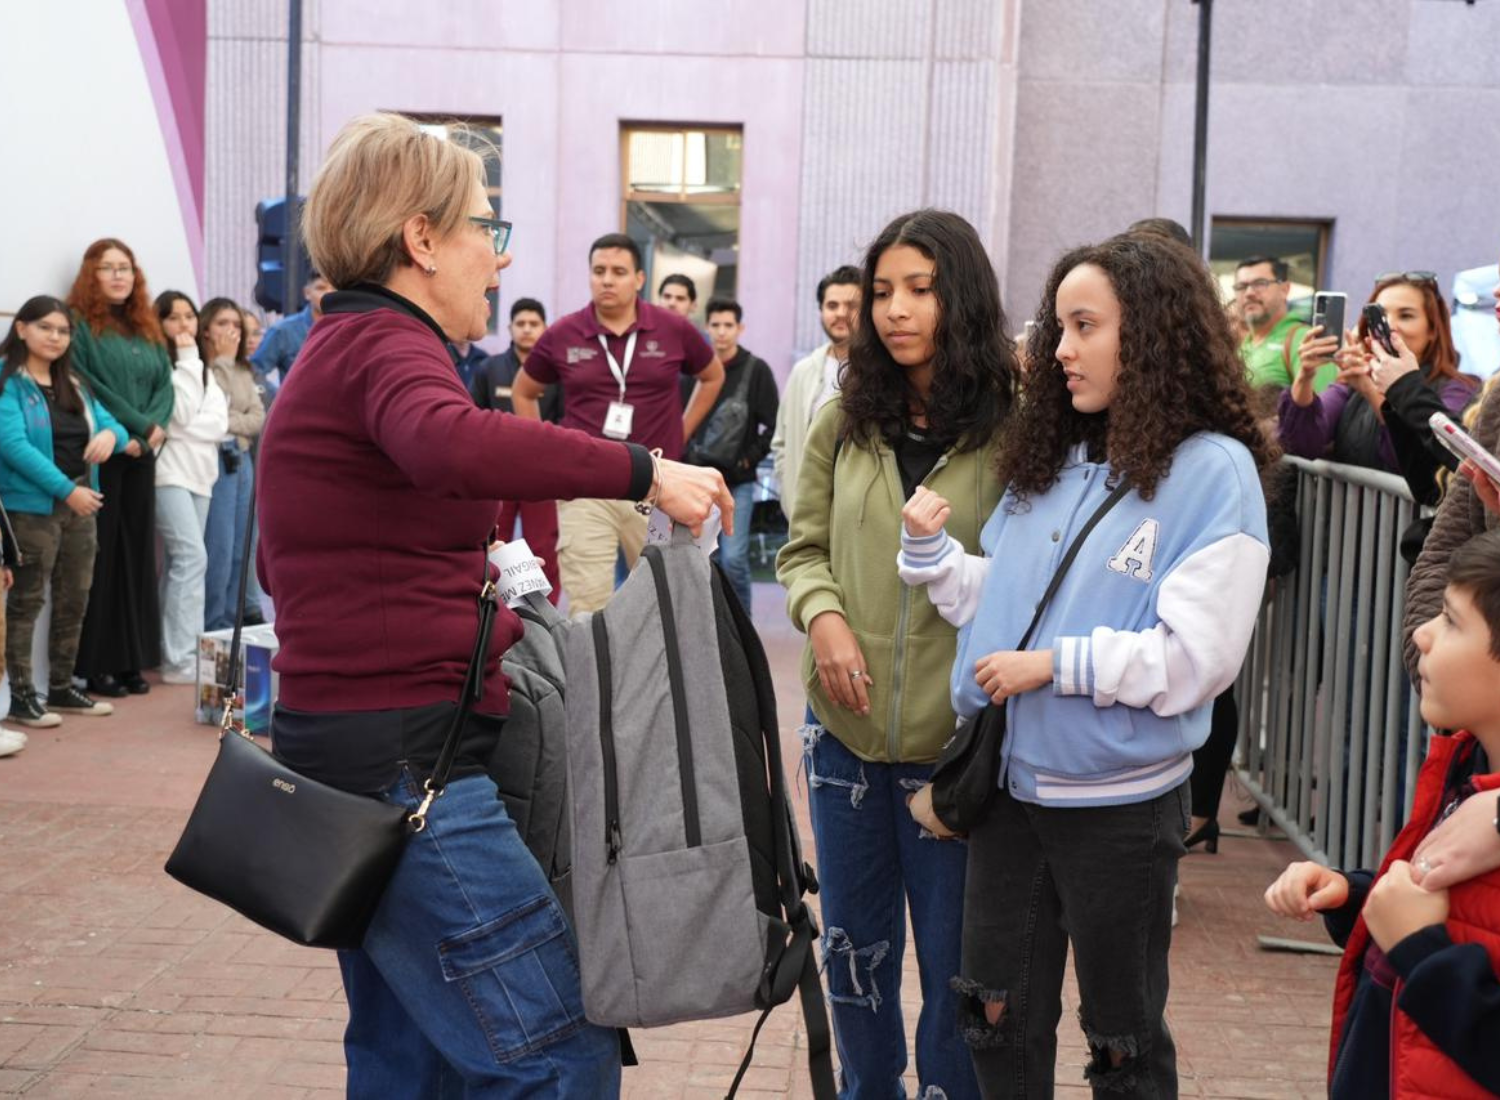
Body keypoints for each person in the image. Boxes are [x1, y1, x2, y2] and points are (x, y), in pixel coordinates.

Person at [256, 112, 732, 1097]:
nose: (498, 257)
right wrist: (645, 468)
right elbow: (452, 444)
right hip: (404, 765)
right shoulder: (385, 345)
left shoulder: (352, 345)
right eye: (488, 227)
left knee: (414, 1058)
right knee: (558, 1050)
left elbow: (297, 550)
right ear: (421, 239)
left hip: (366, 752)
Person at [901, 231, 1274, 1096]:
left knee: (1121, 1040)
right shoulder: (1055, 459)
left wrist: (1054, 666)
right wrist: (932, 560)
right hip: (1008, 796)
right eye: (1057, 326)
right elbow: (1010, 603)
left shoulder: (1213, 472)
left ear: (1147, 334)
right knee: (992, 1017)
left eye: (1083, 326)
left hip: (1120, 809)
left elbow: (1197, 660)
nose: (1059, 350)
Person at [778, 209, 1014, 1100]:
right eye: (882, 291)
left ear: (961, 297)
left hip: (954, 752)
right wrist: (825, 618)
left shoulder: (1014, 428)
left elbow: (1029, 580)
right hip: (843, 742)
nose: (895, 310)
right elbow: (801, 550)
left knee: (955, 967)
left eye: (920, 289)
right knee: (852, 954)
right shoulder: (844, 417)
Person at [1265, 528, 1500, 1098]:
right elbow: (1441, 908)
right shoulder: (1462, 766)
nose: (1420, 633)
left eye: (1449, 619)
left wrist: (1418, 949)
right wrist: (1358, 895)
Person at [511, 233, 725, 613]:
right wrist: (545, 455)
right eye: (598, 271)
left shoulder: (671, 328)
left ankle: (653, 674)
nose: (607, 280)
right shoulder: (564, 333)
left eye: (618, 271)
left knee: (663, 604)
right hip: (585, 489)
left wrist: (682, 430)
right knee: (588, 607)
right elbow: (524, 392)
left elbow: (713, 375)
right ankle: (596, 674)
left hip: (658, 485)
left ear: (639, 279)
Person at [0, 296, 127, 727]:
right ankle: (20, 697)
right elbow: (12, 446)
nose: (55, 337)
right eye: (45, 328)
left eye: (63, 330)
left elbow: (115, 424)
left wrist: (110, 436)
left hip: (81, 503)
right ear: (21, 329)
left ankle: (59, 687)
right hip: (31, 509)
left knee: (75, 597)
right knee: (26, 601)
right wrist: (64, 490)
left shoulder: (73, 381)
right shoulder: (8, 383)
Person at [66, 238, 174, 698]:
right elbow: (88, 384)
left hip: (142, 454)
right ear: (92, 274)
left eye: (125, 268)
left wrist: (154, 428)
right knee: (105, 557)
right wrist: (135, 428)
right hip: (106, 454)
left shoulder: (146, 328)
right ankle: (97, 666)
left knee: (137, 559)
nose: (117, 276)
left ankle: (132, 660)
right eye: (107, 268)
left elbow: (165, 386)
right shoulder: (79, 325)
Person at [1279, 272, 1478, 497]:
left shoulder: (1459, 388)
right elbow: (1300, 444)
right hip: (1346, 525)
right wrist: (1305, 375)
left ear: (1432, 329)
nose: (1390, 326)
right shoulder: (1354, 380)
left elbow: (1423, 464)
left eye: (1406, 315)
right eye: (1380, 316)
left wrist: (1371, 389)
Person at [684, 297, 778, 615]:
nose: (722, 333)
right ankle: (711, 626)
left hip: (738, 482)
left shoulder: (756, 370)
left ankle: (743, 627)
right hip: (697, 481)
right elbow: (680, 421)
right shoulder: (695, 370)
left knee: (734, 558)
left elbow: (774, 425)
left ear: (740, 329)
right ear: (707, 327)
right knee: (701, 560)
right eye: (716, 325)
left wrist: (748, 460)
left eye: (728, 326)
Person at [152, 292, 228, 683]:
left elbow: (219, 424)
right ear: (159, 323)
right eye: (173, 317)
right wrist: (185, 360)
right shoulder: (168, 366)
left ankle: (182, 652)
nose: (183, 324)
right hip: (168, 474)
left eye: (189, 316)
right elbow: (178, 416)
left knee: (184, 565)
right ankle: (179, 659)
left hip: (201, 475)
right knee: (191, 558)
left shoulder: (203, 368)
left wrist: (188, 426)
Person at [472, 298, 563, 601]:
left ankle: (545, 614)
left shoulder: (556, 373)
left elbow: (565, 421)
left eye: (534, 324)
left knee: (544, 545)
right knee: (498, 540)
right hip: (500, 472)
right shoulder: (489, 368)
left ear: (545, 328)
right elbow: (474, 416)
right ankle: (497, 608)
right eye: (520, 324)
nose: (527, 330)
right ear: (510, 328)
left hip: (544, 475)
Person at [770, 264, 860, 525]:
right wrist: (790, 498)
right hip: (808, 514)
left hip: (858, 517)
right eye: (832, 306)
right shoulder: (803, 371)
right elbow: (782, 442)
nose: (841, 314)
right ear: (821, 311)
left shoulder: (882, 372)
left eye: (852, 306)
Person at [200, 298, 266, 631]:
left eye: (236, 325)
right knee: (219, 548)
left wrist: (231, 420)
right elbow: (213, 417)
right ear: (207, 329)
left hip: (243, 460)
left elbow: (257, 418)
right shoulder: (203, 367)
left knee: (243, 547)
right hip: (217, 460)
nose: (232, 331)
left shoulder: (244, 370)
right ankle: (212, 626)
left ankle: (232, 625)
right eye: (223, 323)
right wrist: (223, 361)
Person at [1235, 255, 1335, 392]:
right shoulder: (1242, 345)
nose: (1249, 293)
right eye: (1241, 286)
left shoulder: (1304, 339)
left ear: (1285, 289)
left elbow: (1325, 405)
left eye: (1260, 283)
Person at [251, 269, 333, 398]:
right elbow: (254, 371)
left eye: (334, 289)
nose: (328, 294)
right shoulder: (284, 331)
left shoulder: (349, 329)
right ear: (307, 293)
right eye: (321, 288)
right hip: (297, 412)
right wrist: (275, 399)